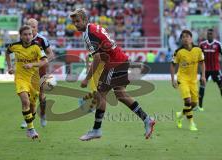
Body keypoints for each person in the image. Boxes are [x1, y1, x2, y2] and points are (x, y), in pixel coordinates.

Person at [70, 8, 155, 141]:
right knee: (120, 94)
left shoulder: (88, 34)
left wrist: (87, 79)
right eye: (74, 22)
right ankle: (147, 119)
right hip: (121, 60)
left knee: (100, 93)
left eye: (78, 21)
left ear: (85, 20)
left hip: (114, 63)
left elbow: (97, 59)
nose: (75, 24)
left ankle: (96, 130)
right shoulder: (94, 28)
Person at [6, 25, 48, 139]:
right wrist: (10, 67)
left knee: (33, 106)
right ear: (21, 36)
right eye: (25, 34)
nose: (28, 36)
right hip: (20, 78)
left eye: (30, 34)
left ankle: (30, 121)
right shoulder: (15, 46)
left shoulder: (37, 46)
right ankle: (31, 129)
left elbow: (45, 60)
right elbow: (7, 52)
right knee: (25, 101)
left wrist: (32, 64)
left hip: (34, 79)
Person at [20, 18, 54, 128]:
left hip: (41, 71)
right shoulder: (22, 40)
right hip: (27, 72)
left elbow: (51, 54)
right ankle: (28, 119)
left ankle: (43, 115)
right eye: (29, 26)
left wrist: (42, 62)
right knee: (28, 97)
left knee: (41, 96)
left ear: (37, 27)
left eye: (34, 27)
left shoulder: (42, 40)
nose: (32, 29)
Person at [170, 30, 206, 131]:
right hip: (182, 79)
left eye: (187, 36)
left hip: (193, 80)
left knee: (194, 104)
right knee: (188, 100)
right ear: (181, 40)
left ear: (191, 38)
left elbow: (202, 63)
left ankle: (180, 115)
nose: (185, 38)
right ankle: (191, 123)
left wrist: (203, 76)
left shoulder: (198, 50)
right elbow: (172, 65)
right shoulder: (178, 52)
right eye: (183, 37)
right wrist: (173, 79)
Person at [198, 29, 222, 111]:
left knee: (221, 86)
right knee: (202, 87)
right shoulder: (202, 44)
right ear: (206, 35)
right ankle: (200, 107)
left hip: (216, 69)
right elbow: (198, 56)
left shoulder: (218, 44)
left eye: (211, 34)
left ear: (214, 35)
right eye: (208, 34)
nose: (209, 35)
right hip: (205, 70)